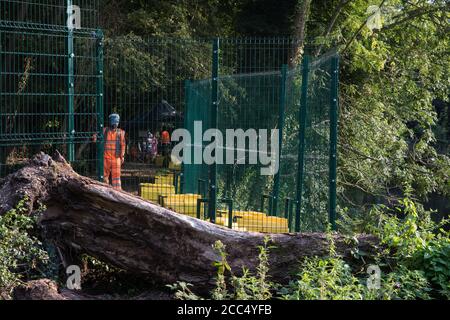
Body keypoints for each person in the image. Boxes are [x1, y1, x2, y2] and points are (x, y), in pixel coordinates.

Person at [102, 113, 126, 190]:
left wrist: (122, 156)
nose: (115, 124)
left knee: (116, 178)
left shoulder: (121, 132)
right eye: (114, 122)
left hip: (116, 158)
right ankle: (105, 192)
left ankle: (117, 192)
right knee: (105, 177)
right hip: (106, 158)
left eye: (116, 122)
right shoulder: (104, 131)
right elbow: (96, 139)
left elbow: (123, 145)